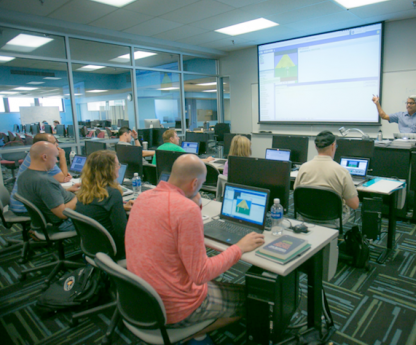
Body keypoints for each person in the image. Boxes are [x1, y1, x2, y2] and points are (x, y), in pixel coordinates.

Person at [126, 154, 264, 338]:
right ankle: (187, 335)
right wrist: (239, 247)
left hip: (141, 298)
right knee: (251, 298)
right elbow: (201, 275)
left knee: (222, 285)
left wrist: (194, 204)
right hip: (175, 306)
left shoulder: (143, 197)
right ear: (194, 184)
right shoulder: (185, 210)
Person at [75, 150, 132, 260]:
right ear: (108, 170)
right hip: (114, 250)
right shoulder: (112, 194)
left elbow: (98, 209)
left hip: (94, 246)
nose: (119, 167)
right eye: (117, 164)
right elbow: (123, 233)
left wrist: (120, 208)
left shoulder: (85, 190)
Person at [294, 130, 359, 224]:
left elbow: (296, 191)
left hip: (305, 217)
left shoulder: (303, 167)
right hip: (332, 220)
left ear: (315, 146)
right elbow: (354, 205)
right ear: (333, 146)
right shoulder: (342, 171)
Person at [17, 142, 79, 231]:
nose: (57, 161)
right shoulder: (44, 181)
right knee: (102, 218)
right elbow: (63, 213)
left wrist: (68, 191)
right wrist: (81, 196)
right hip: (64, 224)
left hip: (47, 221)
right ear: (44, 157)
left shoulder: (24, 175)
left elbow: (45, 196)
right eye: (55, 157)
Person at [10, 133, 75, 215]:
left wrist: (66, 190)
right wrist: (62, 157)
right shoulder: (43, 176)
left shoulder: (33, 159)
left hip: (24, 205)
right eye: (54, 143)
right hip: (27, 210)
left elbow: (41, 192)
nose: (57, 144)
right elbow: (63, 178)